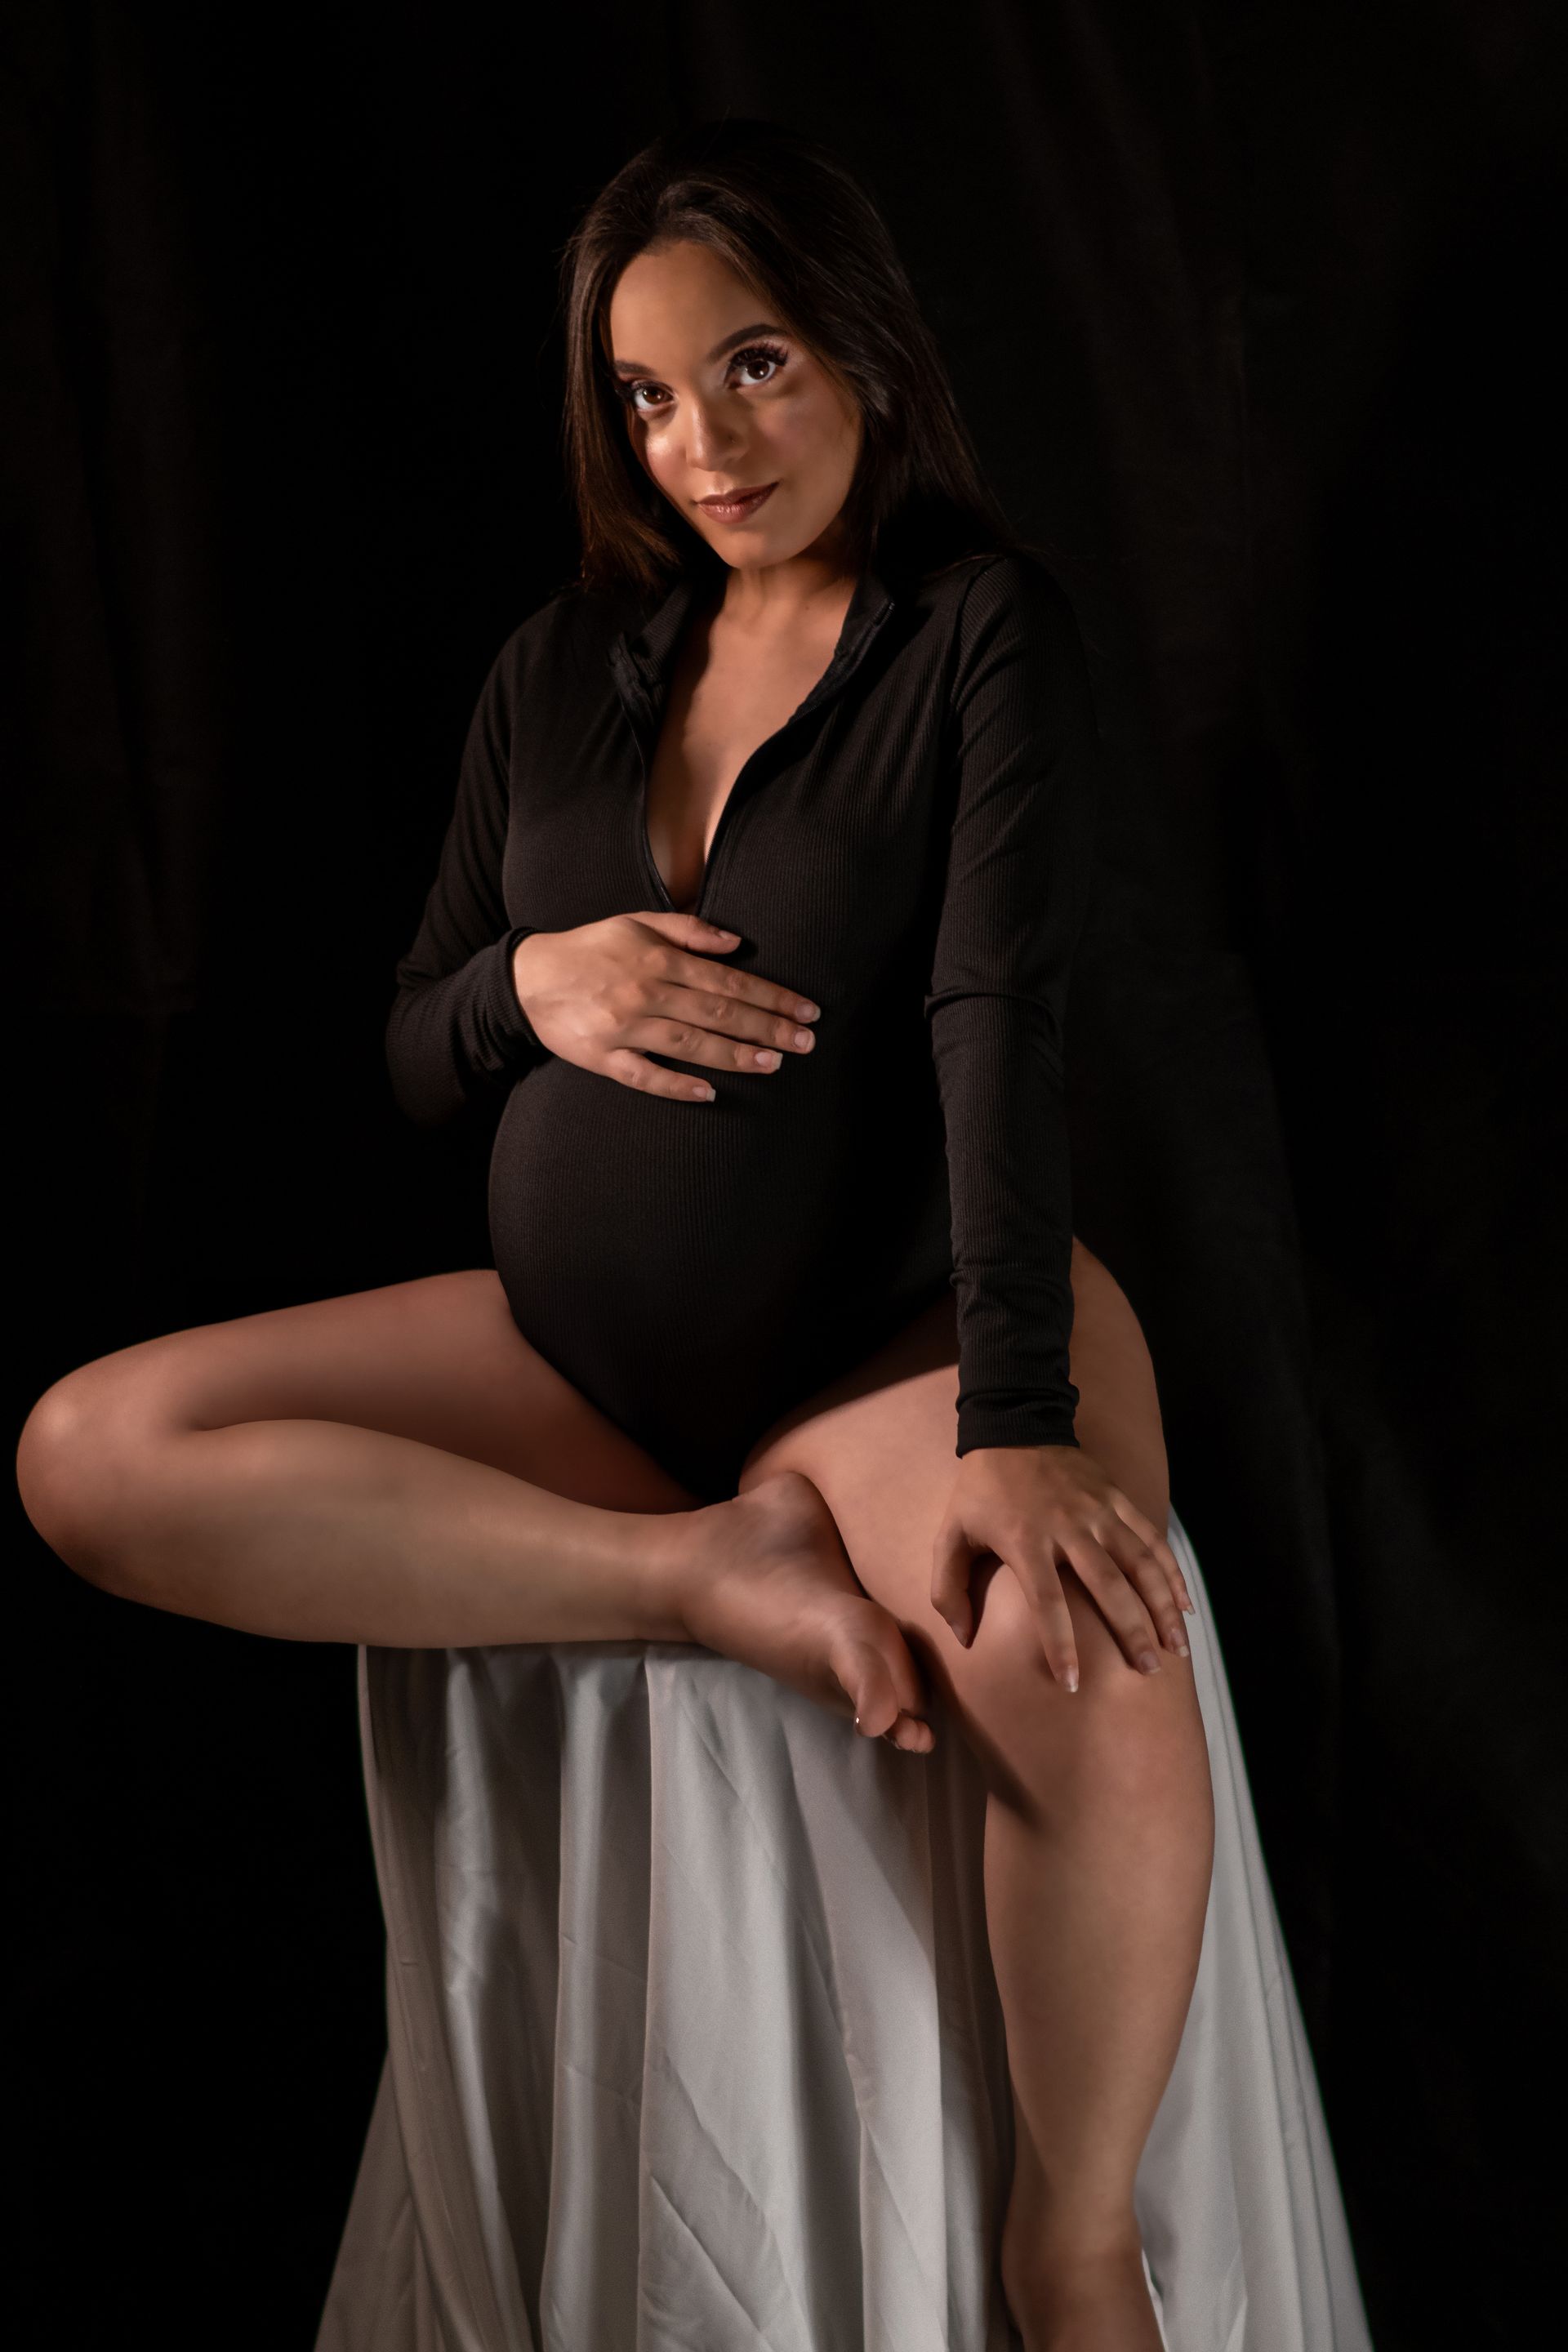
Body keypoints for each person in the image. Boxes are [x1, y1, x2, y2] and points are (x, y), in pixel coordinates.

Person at [16, 119, 1216, 2352]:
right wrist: (528, 988)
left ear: (856, 340)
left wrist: (1020, 1408)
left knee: (1085, 1651)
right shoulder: (561, 667)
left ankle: (1071, 2254)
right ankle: (690, 1573)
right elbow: (410, 1044)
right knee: (89, 1449)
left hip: (878, 1331)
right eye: (652, 397)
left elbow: (993, 1012)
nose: (707, 444)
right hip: (582, 1359)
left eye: (751, 367)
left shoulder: (973, 633)